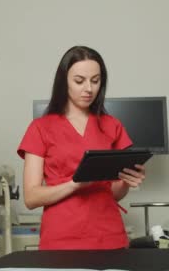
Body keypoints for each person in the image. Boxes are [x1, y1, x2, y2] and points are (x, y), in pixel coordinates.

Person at [17, 45, 146, 250]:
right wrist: (75, 184)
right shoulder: (40, 128)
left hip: (109, 236)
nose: (89, 88)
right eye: (79, 81)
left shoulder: (112, 125)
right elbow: (32, 198)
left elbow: (112, 193)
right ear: (63, 82)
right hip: (62, 239)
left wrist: (126, 182)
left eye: (95, 81)